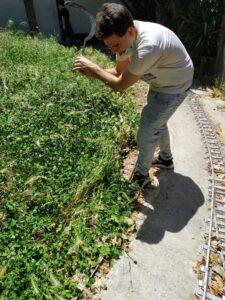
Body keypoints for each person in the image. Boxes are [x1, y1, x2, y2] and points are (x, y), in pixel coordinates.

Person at [74, 3, 194, 189]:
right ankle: (165, 160)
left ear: (130, 31)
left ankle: (140, 177)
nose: (114, 51)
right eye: (110, 47)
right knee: (156, 122)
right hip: (159, 81)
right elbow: (118, 72)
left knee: (146, 130)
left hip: (175, 86)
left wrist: (96, 70)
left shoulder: (148, 46)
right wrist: (93, 72)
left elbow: (120, 85)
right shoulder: (125, 40)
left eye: (116, 46)